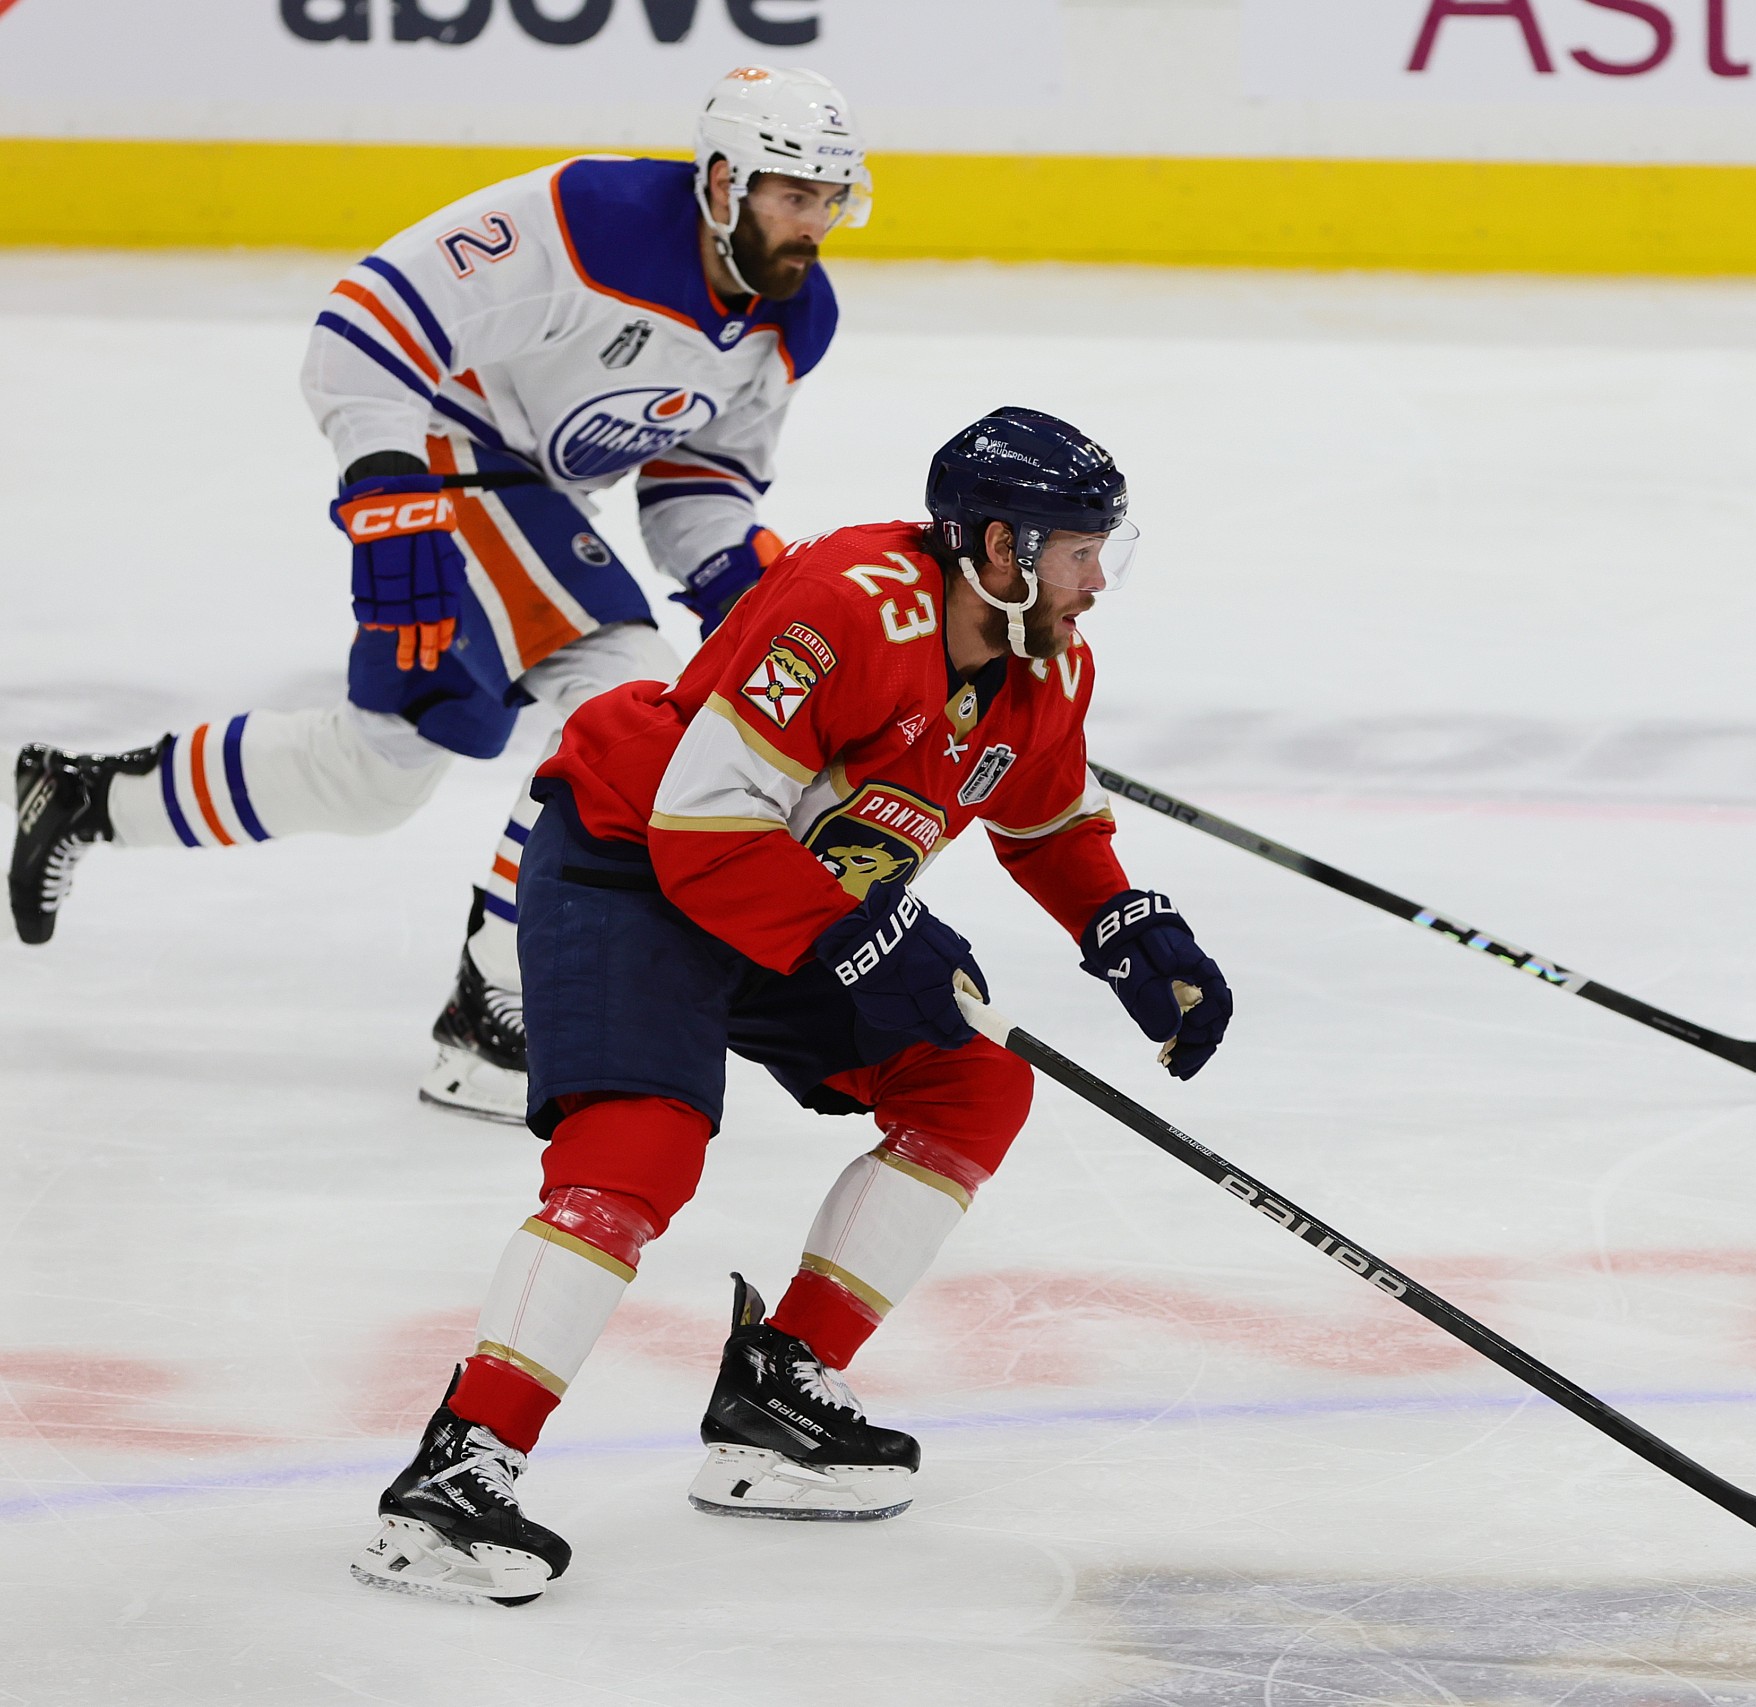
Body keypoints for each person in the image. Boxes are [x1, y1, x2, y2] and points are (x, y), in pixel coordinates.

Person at [350, 407, 1235, 1607]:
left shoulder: (1046, 661)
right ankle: (459, 1471)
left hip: (790, 894)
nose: (1094, 580)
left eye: (1099, 549)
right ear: (994, 546)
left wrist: (1125, 930)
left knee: (970, 1081)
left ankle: (780, 1390)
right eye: (1075, 549)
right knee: (637, 1152)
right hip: (636, 865)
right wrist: (873, 938)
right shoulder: (848, 606)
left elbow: (1047, 815)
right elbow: (703, 829)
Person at [9, 65, 868, 1122]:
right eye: (794, 194)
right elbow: (364, 323)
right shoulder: (590, 222)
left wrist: (741, 581)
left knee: (384, 765)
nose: (815, 222)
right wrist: (389, 506)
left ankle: (87, 797)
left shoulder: (795, 318)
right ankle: (492, 1007)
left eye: (830, 199)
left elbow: (697, 483)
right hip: (440, 448)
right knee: (629, 706)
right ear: (725, 181)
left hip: (534, 491)